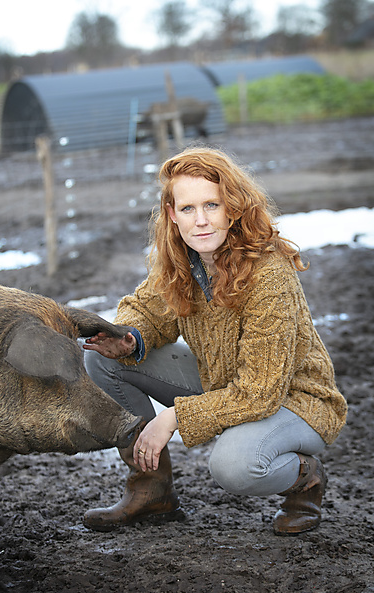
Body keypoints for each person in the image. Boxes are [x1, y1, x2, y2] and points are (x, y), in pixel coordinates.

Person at [82, 146, 347, 536]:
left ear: (233, 208)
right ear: (172, 214)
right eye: (188, 209)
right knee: (102, 360)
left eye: (212, 205)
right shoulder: (181, 260)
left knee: (235, 465)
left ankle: (305, 477)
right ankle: (153, 490)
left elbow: (259, 392)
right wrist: (129, 339)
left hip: (295, 399)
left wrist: (171, 418)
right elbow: (148, 310)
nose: (201, 221)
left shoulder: (269, 274)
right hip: (223, 382)